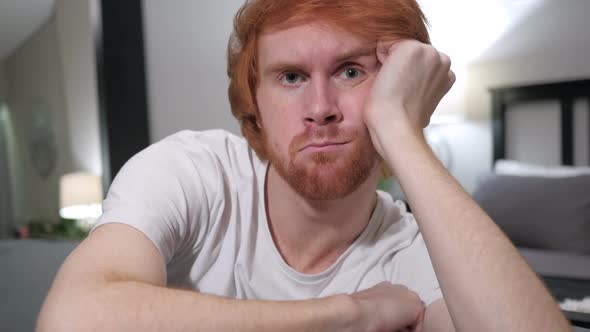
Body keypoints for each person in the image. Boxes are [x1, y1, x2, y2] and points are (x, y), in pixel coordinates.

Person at [37, 0, 569, 331]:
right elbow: (70, 321)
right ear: (256, 103)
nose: (320, 109)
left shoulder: (416, 252)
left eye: (351, 71)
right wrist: (346, 315)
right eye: (291, 77)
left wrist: (403, 134)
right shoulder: (191, 173)